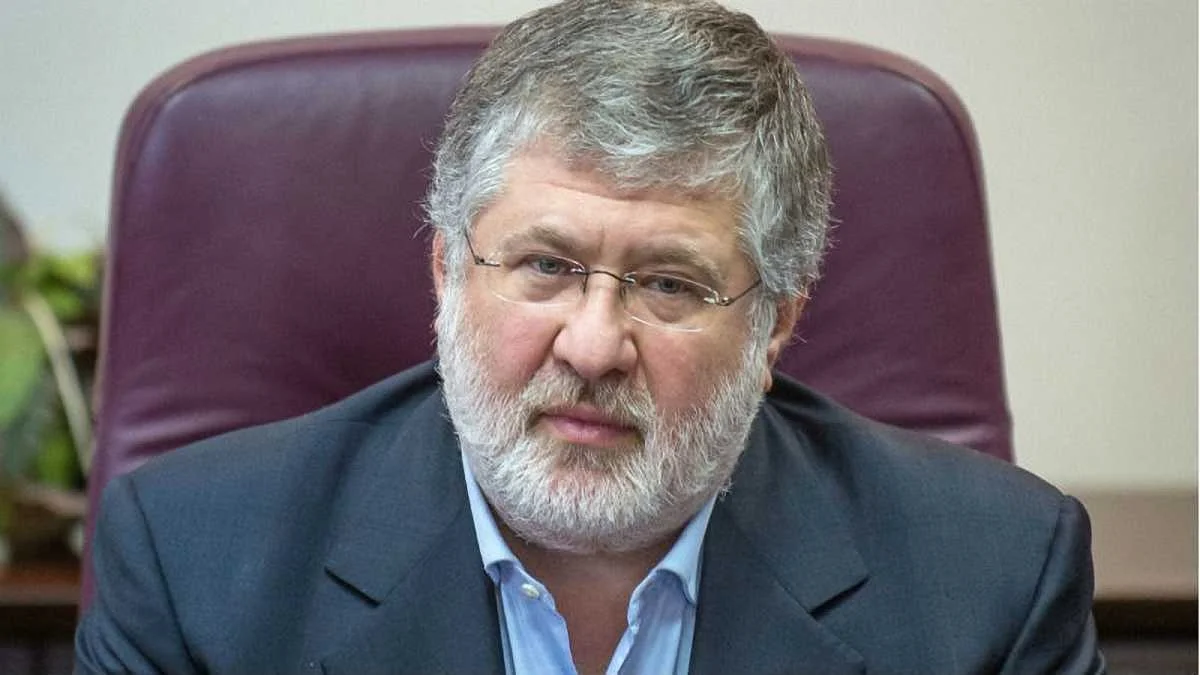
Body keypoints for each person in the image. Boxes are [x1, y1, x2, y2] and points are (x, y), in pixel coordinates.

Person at [75, 0, 1105, 673]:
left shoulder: (995, 581)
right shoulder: (192, 566)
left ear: (775, 323)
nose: (593, 345)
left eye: (668, 284)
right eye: (546, 265)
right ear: (447, 272)